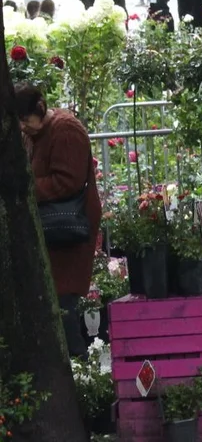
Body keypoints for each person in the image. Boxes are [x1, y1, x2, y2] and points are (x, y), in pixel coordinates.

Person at [16, 83, 101, 358]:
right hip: (52, 228)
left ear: (40, 110)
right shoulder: (36, 133)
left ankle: (80, 368)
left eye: (25, 121)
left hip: (68, 229)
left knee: (65, 302)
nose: (22, 128)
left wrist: (26, 187)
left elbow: (67, 182)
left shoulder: (65, 130)